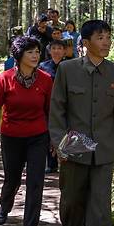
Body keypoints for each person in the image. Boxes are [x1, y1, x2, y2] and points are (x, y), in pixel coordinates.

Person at [49, 20, 114, 226]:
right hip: (74, 147)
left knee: (100, 207)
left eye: (108, 36)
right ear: (85, 43)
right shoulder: (67, 70)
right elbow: (57, 111)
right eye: (100, 37)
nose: (106, 41)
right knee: (72, 199)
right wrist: (62, 146)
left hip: (105, 149)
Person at [0, 36, 52, 226]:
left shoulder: (45, 79)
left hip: (38, 137)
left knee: (35, 182)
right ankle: (5, 206)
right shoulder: (5, 78)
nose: (35, 56)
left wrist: (53, 137)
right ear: (19, 55)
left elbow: (51, 110)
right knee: (12, 179)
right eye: (30, 52)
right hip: (11, 136)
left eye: (37, 52)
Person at [39, 39, 67, 173]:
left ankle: (66, 161)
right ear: (49, 51)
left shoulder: (69, 66)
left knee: (64, 133)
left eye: (59, 48)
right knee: (48, 133)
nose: (56, 51)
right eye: (54, 48)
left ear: (64, 51)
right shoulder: (43, 66)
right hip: (46, 105)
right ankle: (51, 163)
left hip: (65, 105)